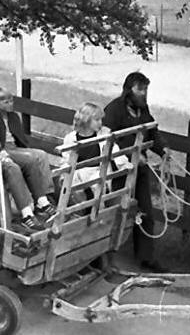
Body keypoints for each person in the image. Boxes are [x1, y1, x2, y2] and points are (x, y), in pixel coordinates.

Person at [103, 71, 169, 273]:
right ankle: (106, 258)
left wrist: (163, 149)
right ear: (129, 90)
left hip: (139, 169)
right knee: (115, 212)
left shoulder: (143, 110)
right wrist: (128, 155)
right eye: (140, 89)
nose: (143, 93)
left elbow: (152, 130)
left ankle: (145, 257)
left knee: (146, 212)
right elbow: (106, 140)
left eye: (145, 89)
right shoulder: (114, 109)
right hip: (118, 170)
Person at [0, 87, 55, 217]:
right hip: (4, 149)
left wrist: (26, 147)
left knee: (41, 154)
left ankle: (47, 194)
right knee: (30, 158)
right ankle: (39, 200)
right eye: (6, 102)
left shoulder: (13, 117)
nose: (10, 104)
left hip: (16, 147)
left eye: (11, 101)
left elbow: (20, 138)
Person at [61, 101, 131, 203]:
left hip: (98, 170)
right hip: (80, 172)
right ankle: (82, 205)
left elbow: (115, 151)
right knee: (74, 185)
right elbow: (66, 159)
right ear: (86, 120)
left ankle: (98, 207)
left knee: (97, 183)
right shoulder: (71, 138)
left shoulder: (103, 135)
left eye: (101, 120)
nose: (100, 123)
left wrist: (124, 164)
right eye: (97, 120)